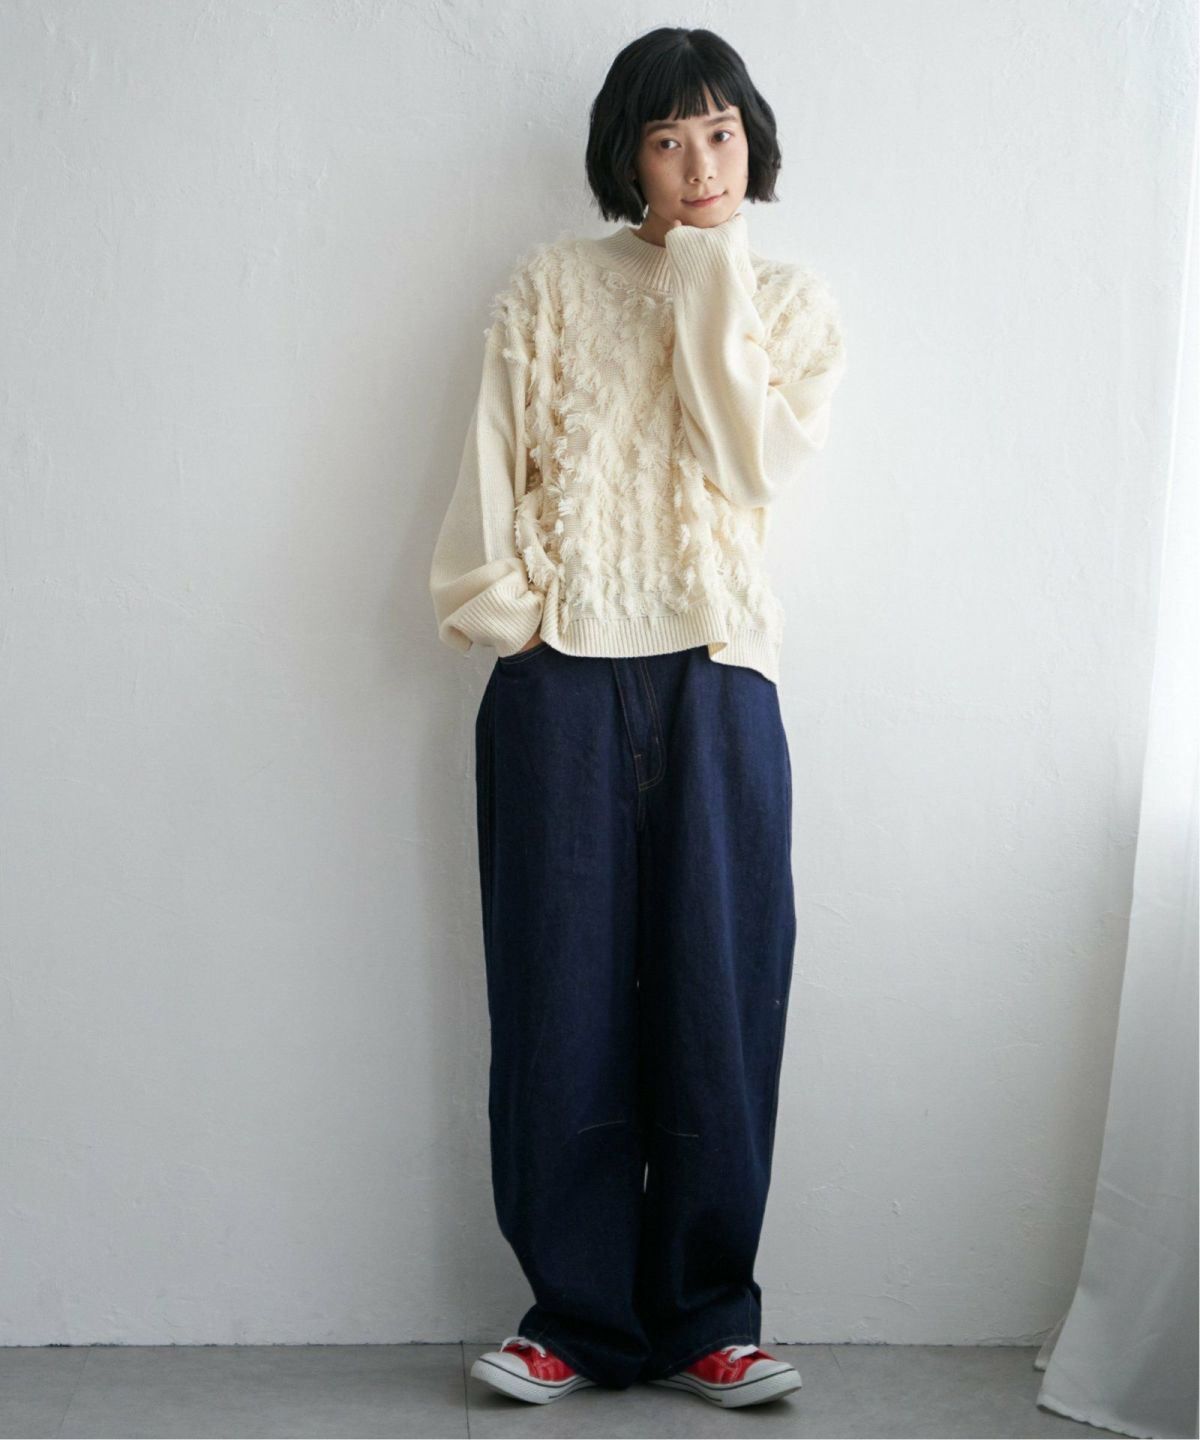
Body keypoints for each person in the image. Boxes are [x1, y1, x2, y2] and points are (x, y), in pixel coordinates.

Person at [428, 25, 846, 1411]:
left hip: (719, 676)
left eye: (719, 133)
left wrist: (711, 268)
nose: (698, 163)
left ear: (751, 141)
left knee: (722, 999)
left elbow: (748, 456)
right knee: (559, 998)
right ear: (630, 157)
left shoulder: (788, 304)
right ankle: (574, 1317)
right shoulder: (550, 286)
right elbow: (493, 460)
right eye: (667, 140)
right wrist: (520, 612)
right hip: (559, 678)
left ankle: (709, 1318)